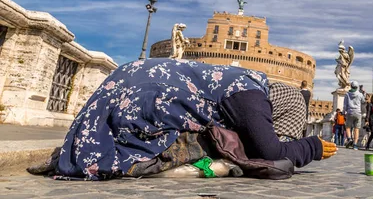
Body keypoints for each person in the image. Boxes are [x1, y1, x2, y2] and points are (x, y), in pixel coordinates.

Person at [35, 58, 337, 180]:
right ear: (286, 107)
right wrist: (310, 147)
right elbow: (272, 152)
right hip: (143, 99)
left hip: (130, 80)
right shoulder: (250, 96)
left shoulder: (244, 82)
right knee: (200, 145)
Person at [343, 81, 365, 150]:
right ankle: (355, 145)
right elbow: (363, 102)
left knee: (348, 127)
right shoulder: (360, 94)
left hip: (350, 112)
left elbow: (345, 105)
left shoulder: (347, 94)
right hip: (358, 113)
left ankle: (349, 138)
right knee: (356, 129)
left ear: (351, 86)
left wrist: (344, 112)